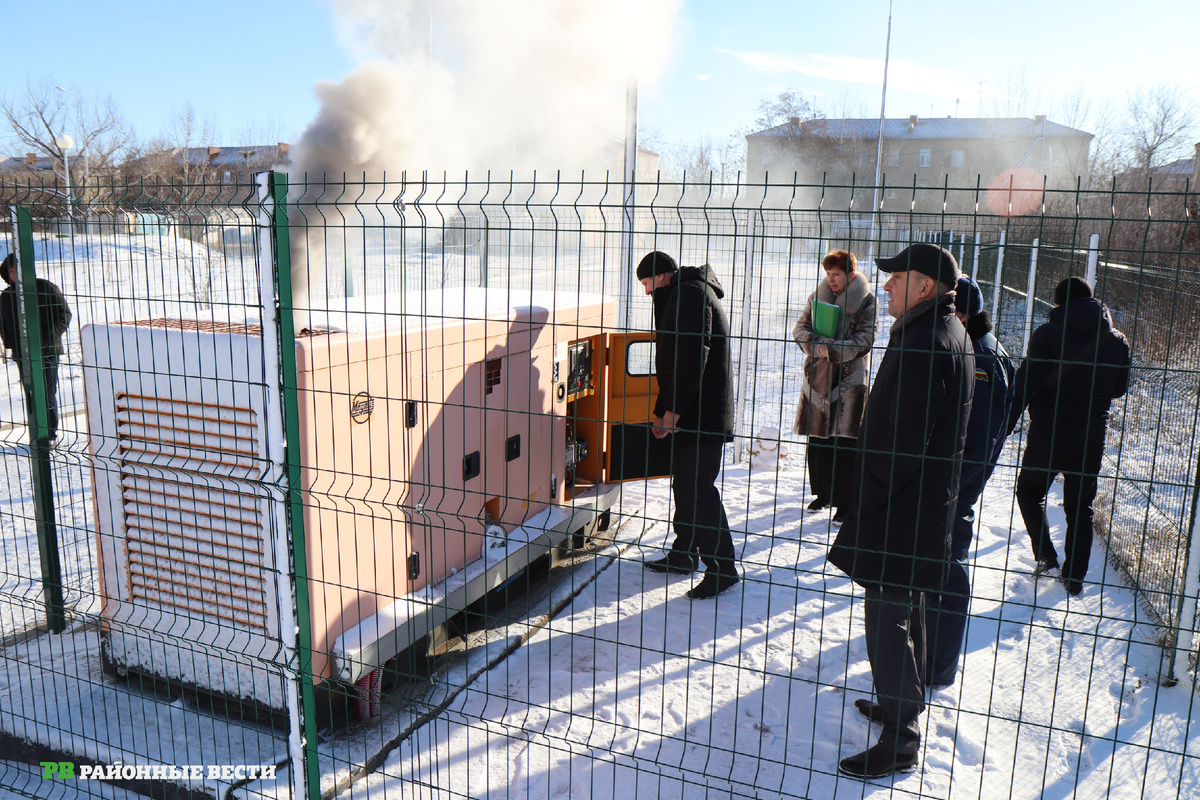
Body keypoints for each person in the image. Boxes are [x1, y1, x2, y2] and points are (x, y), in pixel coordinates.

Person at [826, 243, 974, 779]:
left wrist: (867, 497)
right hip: (920, 509)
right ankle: (898, 704)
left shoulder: (924, 343)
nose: (885, 285)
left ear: (926, 286)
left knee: (887, 623)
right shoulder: (944, 332)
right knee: (907, 613)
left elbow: (902, 445)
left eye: (896, 278)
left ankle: (901, 739)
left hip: (899, 510)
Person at [1007, 276, 1131, 596]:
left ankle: (1046, 557)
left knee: (1029, 493)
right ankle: (1074, 579)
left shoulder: (1048, 334)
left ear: (1060, 304)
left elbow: (1026, 383)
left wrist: (1003, 426)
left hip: (1047, 437)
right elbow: (1118, 389)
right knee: (1080, 510)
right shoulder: (1118, 341)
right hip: (1090, 439)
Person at [923, 277, 1015, 688]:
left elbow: (977, 442)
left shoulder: (981, 359)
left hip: (954, 487)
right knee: (933, 574)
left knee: (946, 575)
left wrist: (945, 488)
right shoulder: (980, 348)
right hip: (955, 484)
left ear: (962, 314)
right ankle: (924, 660)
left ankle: (935, 668)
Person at [637, 250, 739, 600]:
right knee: (685, 482)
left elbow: (693, 354)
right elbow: (671, 361)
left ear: (662, 276)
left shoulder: (691, 293)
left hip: (703, 412)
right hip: (692, 410)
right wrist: (661, 409)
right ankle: (684, 552)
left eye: (647, 283)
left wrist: (674, 412)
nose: (647, 292)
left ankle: (722, 568)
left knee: (699, 488)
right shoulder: (682, 293)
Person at [792, 250, 877, 524]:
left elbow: (866, 338)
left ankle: (845, 501)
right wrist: (817, 344)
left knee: (844, 442)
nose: (831, 280)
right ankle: (823, 493)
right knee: (818, 440)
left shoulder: (866, 301)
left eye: (836, 274)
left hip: (849, 380)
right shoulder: (817, 297)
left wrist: (835, 350)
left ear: (850, 275)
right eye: (828, 274)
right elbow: (799, 329)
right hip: (817, 377)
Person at [0, 252, 72, 440]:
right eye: (12, 271)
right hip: (22, 353)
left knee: (46, 393)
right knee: (31, 394)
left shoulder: (45, 287)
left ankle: (49, 436)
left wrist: (50, 336)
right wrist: (11, 343)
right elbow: (3, 323)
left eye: (19, 271)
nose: (15, 275)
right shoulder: (6, 296)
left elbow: (64, 314)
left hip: (47, 351)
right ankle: (36, 433)